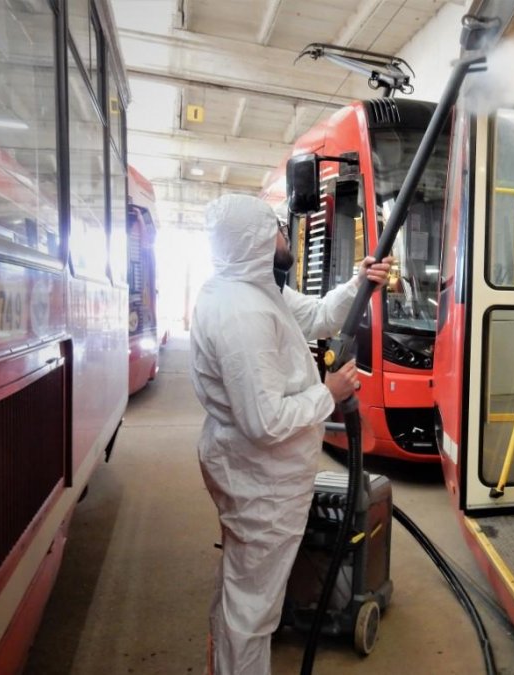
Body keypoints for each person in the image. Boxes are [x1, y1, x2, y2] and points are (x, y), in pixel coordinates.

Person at [189, 193, 391, 675]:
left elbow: (320, 314)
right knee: (252, 607)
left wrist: (358, 282)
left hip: (259, 475)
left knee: (245, 587)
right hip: (260, 481)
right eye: (277, 228)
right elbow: (264, 422)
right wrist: (328, 391)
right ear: (256, 238)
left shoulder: (253, 289)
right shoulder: (244, 314)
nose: (285, 236)